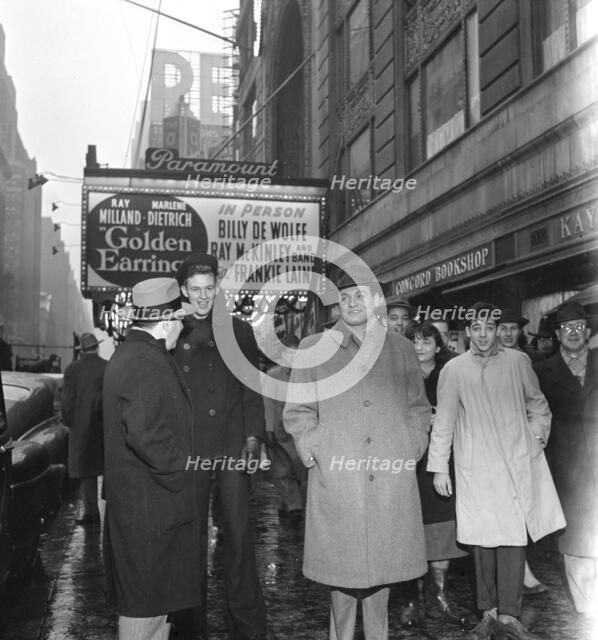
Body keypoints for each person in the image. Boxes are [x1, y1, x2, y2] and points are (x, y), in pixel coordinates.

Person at [284, 266, 431, 640]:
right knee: (342, 573)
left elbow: (417, 405)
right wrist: (313, 444)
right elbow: (298, 411)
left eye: (360, 296)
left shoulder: (399, 348)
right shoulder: (314, 349)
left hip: (389, 476)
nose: (351, 304)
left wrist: (413, 444)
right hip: (339, 476)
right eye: (344, 297)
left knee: (383, 570)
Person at [428, 301, 565, 640]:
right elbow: (443, 422)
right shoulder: (455, 369)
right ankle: (487, 614)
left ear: (498, 328)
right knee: (482, 543)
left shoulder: (518, 361)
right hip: (476, 467)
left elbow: (538, 404)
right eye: (476, 328)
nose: (484, 335)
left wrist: (536, 437)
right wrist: (439, 468)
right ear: (468, 332)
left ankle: (510, 615)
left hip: (515, 466)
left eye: (489, 327)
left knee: (513, 542)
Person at [172, 253, 266, 640]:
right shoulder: (172, 331)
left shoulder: (238, 331)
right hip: (189, 449)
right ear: (182, 290)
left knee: (240, 539)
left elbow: (252, 388)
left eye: (209, 288)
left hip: (231, 445)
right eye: (194, 290)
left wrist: (253, 438)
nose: (202, 297)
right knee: (188, 539)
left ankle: (247, 626)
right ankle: (190, 627)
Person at [103, 277, 201, 640]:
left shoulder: (136, 354)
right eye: (180, 322)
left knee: (158, 610)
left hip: (145, 508)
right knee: (144, 612)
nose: (181, 331)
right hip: (151, 510)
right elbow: (146, 435)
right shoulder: (146, 360)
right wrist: (182, 472)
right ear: (165, 322)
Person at [400, 322, 468, 628]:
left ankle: (438, 595)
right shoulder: (397, 376)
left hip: (441, 461)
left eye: (427, 341)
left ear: (438, 347)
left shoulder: (449, 374)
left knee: (442, 530)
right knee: (407, 529)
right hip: (406, 461)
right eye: (414, 341)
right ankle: (410, 600)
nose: (420, 346)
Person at [534, 301, 598, 615]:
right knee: (574, 541)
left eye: (578, 327)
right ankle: (588, 610)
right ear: (558, 334)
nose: (573, 333)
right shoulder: (542, 371)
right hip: (566, 468)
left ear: (588, 331)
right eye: (566, 328)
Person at [61, 332, 106, 524]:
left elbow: (67, 403)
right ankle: (112, 511)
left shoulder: (73, 369)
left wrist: (71, 422)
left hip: (82, 427)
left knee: (87, 473)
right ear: (97, 347)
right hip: (103, 427)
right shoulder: (107, 366)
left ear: (81, 350)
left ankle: (91, 512)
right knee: (107, 467)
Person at [262, 333, 306, 526]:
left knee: (301, 471)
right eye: (289, 353)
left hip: (302, 432)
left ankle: (297, 504)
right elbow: (268, 405)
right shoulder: (272, 376)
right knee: (282, 472)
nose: (292, 358)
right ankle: (293, 507)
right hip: (280, 434)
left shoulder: (308, 376)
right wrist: (268, 430)